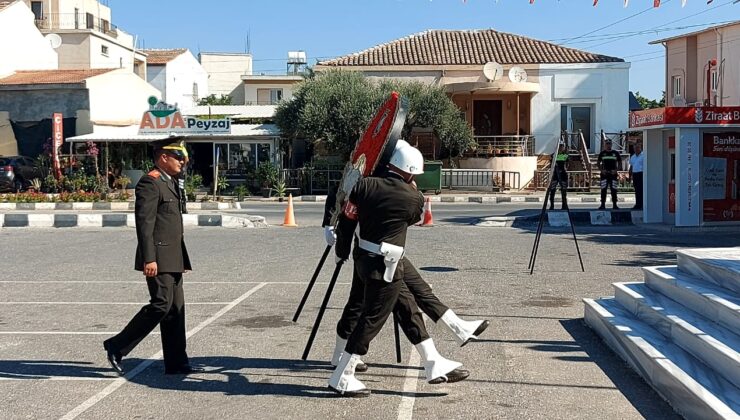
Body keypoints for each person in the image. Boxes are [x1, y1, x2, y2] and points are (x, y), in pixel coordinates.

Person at [328, 142, 474, 397]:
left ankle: (433, 362)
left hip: (363, 258)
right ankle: (343, 375)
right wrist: (411, 189)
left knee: (408, 309)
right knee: (371, 319)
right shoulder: (413, 197)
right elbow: (412, 219)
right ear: (409, 173)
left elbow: (348, 222)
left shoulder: (363, 185)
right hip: (387, 266)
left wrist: (341, 252)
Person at [322, 182, 489, 373]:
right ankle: (343, 363)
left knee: (417, 290)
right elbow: (342, 187)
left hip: (386, 248)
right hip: (372, 250)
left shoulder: (393, 176)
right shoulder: (371, 172)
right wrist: (331, 225)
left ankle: (453, 332)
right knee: (372, 306)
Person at [103, 140, 202, 376]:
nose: (182, 161)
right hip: (157, 256)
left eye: (182, 157)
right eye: (177, 157)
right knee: (161, 305)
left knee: (175, 310)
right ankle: (117, 346)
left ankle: (177, 362)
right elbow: (144, 225)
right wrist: (149, 259)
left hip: (173, 257)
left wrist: (181, 259)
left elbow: (171, 225)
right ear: (163, 157)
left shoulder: (170, 183)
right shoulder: (151, 182)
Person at [597, 139, 622, 210]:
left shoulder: (616, 153)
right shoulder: (602, 153)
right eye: (607, 144)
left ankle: (615, 204)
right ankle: (602, 204)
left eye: (609, 144)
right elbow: (598, 163)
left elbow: (620, 163)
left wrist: (616, 170)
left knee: (613, 189)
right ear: (605, 145)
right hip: (604, 174)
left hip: (613, 174)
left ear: (611, 144)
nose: (608, 145)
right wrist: (602, 170)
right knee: (603, 189)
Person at [548, 143, 569, 211]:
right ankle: (552, 205)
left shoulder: (566, 155)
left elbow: (568, 164)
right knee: (552, 190)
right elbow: (550, 164)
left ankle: (564, 205)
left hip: (563, 174)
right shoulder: (553, 155)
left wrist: (566, 169)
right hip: (555, 175)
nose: (561, 149)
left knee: (564, 191)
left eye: (562, 147)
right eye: (560, 147)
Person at [629, 143, 644, 210]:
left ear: (640, 148)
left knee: (641, 190)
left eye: (637, 148)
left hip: (641, 174)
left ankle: (642, 204)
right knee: (636, 190)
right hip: (635, 174)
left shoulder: (644, 156)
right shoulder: (633, 157)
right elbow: (631, 167)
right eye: (635, 148)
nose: (636, 149)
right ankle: (637, 204)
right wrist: (630, 176)